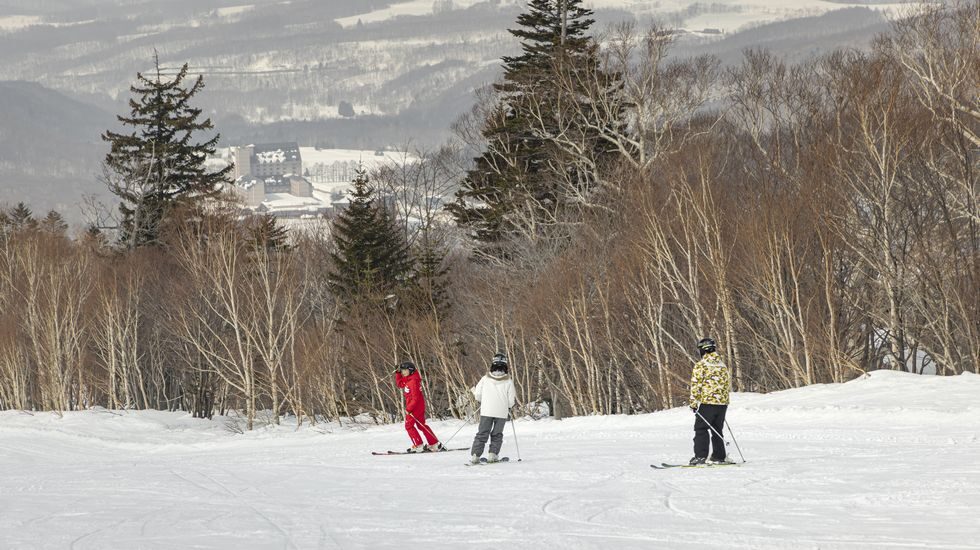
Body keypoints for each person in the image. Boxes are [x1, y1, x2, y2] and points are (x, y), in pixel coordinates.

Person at [689, 338, 732, 466]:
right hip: (722, 403)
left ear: (702, 350)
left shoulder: (701, 365)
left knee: (701, 428)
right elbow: (726, 383)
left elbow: (696, 384)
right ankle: (719, 456)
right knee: (717, 429)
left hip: (707, 402)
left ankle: (700, 456)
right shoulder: (722, 365)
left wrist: (693, 402)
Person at [469, 353, 517, 464]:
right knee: (497, 434)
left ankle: (475, 455)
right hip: (501, 412)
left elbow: (477, 395)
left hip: (487, 410)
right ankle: (493, 454)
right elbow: (511, 401)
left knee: (482, 433)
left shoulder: (485, 379)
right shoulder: (509, 381)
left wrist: (485, 401)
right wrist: (508, 406)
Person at [395, 361, 444, 453]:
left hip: (414, 407)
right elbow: (400, 384)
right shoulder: (409, 379)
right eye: (402, 370)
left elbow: (415, 398)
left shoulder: (412, 381)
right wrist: (397, 373)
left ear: (410, 370)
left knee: (409, 426)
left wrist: (409, 408)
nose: (403, 372)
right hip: (418, 406)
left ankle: (418, 445)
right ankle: (433, 444)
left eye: (404, 370)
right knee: (421, 425)